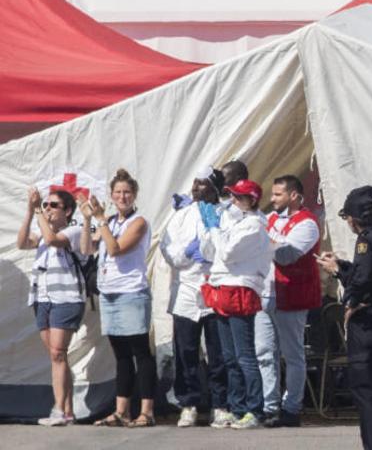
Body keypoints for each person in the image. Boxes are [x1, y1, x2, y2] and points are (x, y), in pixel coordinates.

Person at [317, 186, 372, 450]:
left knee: (366, 392)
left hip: (366, 320)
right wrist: (344, 265)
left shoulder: (366, 239)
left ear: (356, 217)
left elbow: (363, 281)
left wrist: (338, 275)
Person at [80, 169, 156, 428]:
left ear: (134, 195)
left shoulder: (139, 222)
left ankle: (147, 411)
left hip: (131, 292)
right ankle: (121, 410)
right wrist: (88, 219)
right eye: (118, 193)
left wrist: (100, 220)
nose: (122, 197)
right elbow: (87, 248)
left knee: (140, 352)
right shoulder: (109, 221)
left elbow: (116, 249)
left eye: (127, 192)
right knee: (121, 354)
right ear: (111, 196)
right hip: (110, 293)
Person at [159, 167, 231, 428]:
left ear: (214, 188)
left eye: (202, 184)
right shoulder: (181, 216)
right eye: (195, 183)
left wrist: (211, 252)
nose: (196, 188)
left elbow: (228, 248)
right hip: (187, 291)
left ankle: (220, 404)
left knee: (218, 352)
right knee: (186, 351)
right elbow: (168, 250)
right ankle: (188, 404)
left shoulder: (225, 214)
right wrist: (188, 254)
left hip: (216, 288)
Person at [200, 179, 272, 429]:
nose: (234, 201)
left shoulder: (254, 226)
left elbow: (228, 252)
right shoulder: (235, 221)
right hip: (222, 287)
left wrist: (215, 230)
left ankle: (255, 410)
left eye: (240, 197)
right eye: (233, 196)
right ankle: (237, 407)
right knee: (229, 357)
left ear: (252, 200)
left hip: (241, 288)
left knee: (245, 356)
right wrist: (211, 227)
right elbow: (211, 252)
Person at [17, 188, 85, 426]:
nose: (47, 209)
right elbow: (22, 242)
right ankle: (67, 410)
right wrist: (30, 211)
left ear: (67, 210)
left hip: (66, 298)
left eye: (53, 205)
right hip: (42, 297)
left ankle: (58, 409)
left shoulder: (74, 231)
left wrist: (37, 212)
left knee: (58, 353)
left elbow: (53, 240)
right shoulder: (41, 232)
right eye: (45, 205)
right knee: (57, 356)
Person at [265, 175, 322, 427]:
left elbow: (287, 256)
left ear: (294, 196)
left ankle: (291, 409)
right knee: (264, 353)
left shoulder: (308, 223)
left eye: (278, 194)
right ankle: (269, 406)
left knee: (292, 354)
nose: (272, 199)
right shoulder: (271, 219)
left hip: (293, 295)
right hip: (266, 293)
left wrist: (262, 239)